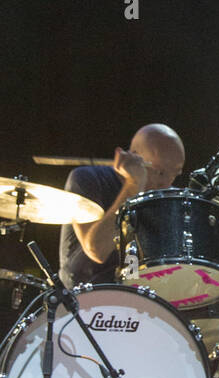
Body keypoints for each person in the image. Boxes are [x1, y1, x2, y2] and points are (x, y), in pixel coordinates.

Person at [58, 124, 186, 290]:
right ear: (135, 158)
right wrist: (133, 186)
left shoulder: (165, 197)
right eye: (160, 173)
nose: (167, 183)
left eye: (175, 174)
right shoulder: (86, 179)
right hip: (84, 300)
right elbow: (97, 250)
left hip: (137, 299)